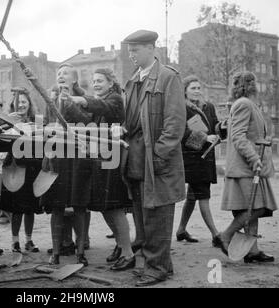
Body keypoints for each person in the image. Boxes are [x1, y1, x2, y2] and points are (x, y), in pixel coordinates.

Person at [113, 30, 186, 286]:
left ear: (151, 48)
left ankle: (157, 268)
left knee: (158, 215)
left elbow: (175, 123)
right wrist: (120, 129)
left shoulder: (168, 77)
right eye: (129, 51)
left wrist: (159, 155)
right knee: (142, 215)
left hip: (155, 161)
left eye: (136, 50)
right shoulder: (133, 81)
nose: (131, 55)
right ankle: (154, 263)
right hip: (134, 159)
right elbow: (131, 121)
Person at [65, 68, 135, 271]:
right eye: (94, 81)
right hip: (102, 159)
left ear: (111, 83)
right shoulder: (101, 99)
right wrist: (71, 101)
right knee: (106, 207)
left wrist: (82, 100)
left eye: (100, 81)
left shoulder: (114, 99)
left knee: (114, 207)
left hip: (112, 158)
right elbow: (88, 120)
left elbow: (103, 106)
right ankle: (123, 248)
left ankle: (128, 253)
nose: (96, 84)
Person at [218, 71, 277, 263]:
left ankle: (252, 251)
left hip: (250, 167)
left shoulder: (248, 104)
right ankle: (225, 236)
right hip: (245, 167)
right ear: (250, 84)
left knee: (254, 207)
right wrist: (253, 158)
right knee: (256, 207)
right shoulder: (244, 104)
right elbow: (238, 137)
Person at [39, 63, 92, 266]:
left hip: (78, 159)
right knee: (57, 206)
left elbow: (87, 123)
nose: (61, 76)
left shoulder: (82, 100)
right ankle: (57, 252)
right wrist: (48, 129)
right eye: (58, 73)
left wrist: (69, 104)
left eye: (65, 73)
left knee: (79, 206)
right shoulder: (50, 100)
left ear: (74, 80)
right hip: (57, 159)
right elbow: (44, 125)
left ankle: (80, 252)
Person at [175, 75, 225, 247]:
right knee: (203, 195)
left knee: (192, 195)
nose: (197, 91)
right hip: (192, 159)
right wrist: (205, 138)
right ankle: (216, 235)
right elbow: (181, 133)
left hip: (207, 158)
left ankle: (181, 230)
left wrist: (222, 129)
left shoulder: (208, 106)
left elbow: (216, 126)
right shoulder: (182, 108)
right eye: (193, 88)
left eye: (198, 88)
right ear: (185, 91)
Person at [0, 87, 43, 253]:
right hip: (15, 166)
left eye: (24, 102)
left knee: (30, 207)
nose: (21, 105)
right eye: (19, 102)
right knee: (16, 207)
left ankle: (29, 240)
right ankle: (15, 241)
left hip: (32, 165)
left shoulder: (37, 120)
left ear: (29, 104)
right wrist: (10, 123)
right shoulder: (8, 120)